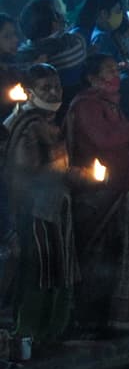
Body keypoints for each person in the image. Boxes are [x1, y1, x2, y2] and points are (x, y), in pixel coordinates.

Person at [66, 53, 129, 334]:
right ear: (92, 77)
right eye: (109, 71)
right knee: (100, 257)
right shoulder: (87, 105)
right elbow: (105, 140)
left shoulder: (111, 104)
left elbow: (120, 135)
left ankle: (118, 318)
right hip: (101, 194)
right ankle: (93, 320)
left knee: (119, 256)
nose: (115, 76)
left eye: (115, 69)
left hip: (123, 187)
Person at [6, 64, 76, 345]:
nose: (53, 92)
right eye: (45, 88)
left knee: (57, 270)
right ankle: (31, 333)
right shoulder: (29, 126)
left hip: (55, 207)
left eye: (56, 86)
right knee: (42, 272)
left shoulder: (48, 122)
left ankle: (50, 332)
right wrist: (74, 174)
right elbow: (27, 171)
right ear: (29, 92)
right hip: (37, 211)